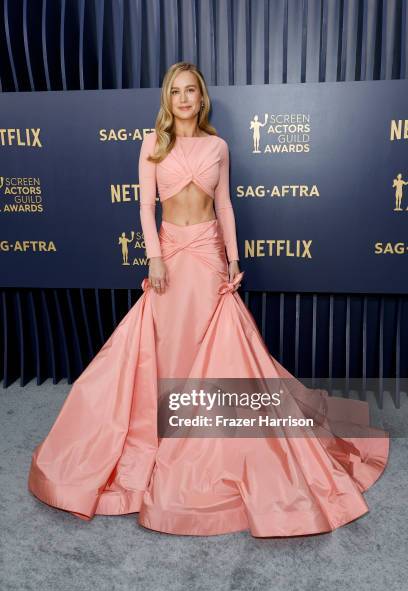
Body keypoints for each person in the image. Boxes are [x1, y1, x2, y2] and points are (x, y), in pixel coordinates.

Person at [28, 61, 389, 537]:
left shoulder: (218, 145)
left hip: (210, 257)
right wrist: (154, 257)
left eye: (190, 91)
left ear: (201, 98)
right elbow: (144, 206)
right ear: (168, 98)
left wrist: (234, 259)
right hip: (172, 259)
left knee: (216, 349)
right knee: (169, 346)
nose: (183, 99)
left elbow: (224, 205)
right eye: (175, 91)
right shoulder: (153, 144)